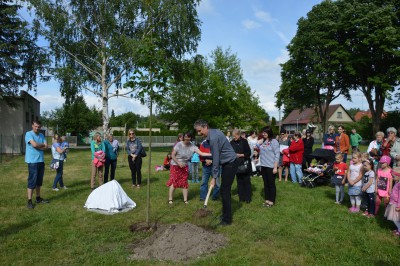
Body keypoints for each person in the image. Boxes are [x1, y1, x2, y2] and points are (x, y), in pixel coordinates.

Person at [194, 120, 238, 226]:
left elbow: (216, 158)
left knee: (224, 191)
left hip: (230, 163)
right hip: (227, 163)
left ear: (206, 127)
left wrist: (214, 177)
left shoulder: (213, 137)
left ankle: (227, 220)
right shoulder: (213, 133)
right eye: (197, 131)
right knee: (224, 191)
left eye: (200, 131)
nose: (199, 133)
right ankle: (225, 214)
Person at [167, 131, 210, 204]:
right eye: (185, 136)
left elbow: (201, 153)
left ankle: (185, 200)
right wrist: (178, 162)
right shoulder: (179, 144)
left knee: (184, 182)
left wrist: (213, 154)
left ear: (191, 138)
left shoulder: (192, 146)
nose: (187, 138)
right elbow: (172, 155)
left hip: (184, 166)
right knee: (174, 182)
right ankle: (170, 199)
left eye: (188, 137)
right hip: (175, 165)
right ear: (183, 137)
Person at [25, 120, 49, 209]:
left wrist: (41, 146)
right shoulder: (28, 134)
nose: (37, 128)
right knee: (32, 181)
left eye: (38, 127)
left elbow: (46, 146)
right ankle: (29, 201)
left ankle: (38, 198)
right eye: (35, 126)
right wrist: (42, 145)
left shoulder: (41, 135)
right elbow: (34, 145)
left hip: (41, 161)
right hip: (32, 162)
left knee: (39, 181)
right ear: (32, 126)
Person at [256, 126, 280, 207]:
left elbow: (277, 155)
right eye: (263, 132)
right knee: (265, 183)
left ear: (269, 133)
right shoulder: (263, 141)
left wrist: (275, 167)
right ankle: (267, 200)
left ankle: (271, 201)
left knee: (271, 184)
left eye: (265, 132)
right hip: (263, 166)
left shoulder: (274, 142)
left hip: (271, 166)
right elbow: (256, 146)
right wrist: (260, 141)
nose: (263, 134)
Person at [230, 129, 252, 203]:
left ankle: (248, 197)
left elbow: (248, 153)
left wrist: (240, 155)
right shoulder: (231, 142)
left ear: (238, 135)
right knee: (239, 181)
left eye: (235, 136)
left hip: (244, 163)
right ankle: (241, 197)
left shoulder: (244, 141)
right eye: (233, 136)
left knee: (246, 181)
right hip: (236, 163)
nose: (234, 138)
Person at [384, 167, 400, 237]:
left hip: (396, 204)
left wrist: (398, 206)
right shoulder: (397, 182)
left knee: (395, 219)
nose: (392, 178)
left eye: (394, 177)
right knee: (396, 218)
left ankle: (399, 231)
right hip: (393, 202)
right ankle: (398, 229)